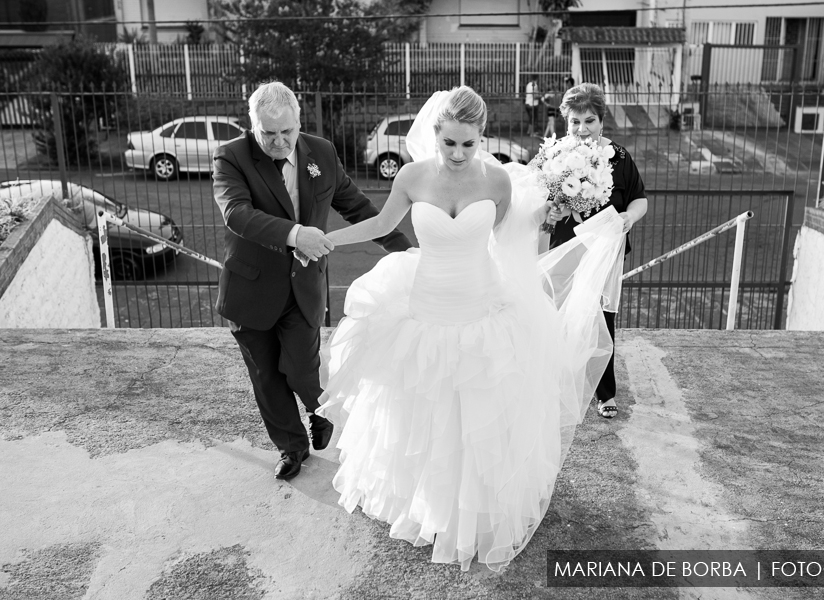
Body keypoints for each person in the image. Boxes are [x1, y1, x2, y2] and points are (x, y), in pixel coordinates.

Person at [314, 86, 626, 571]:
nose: (458, 154)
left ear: (482, 137)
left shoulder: (498, 182)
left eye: (468, 144)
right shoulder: (414, 176)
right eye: (449, 143)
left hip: (481, 306)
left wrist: (555, 211)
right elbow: (380, 224)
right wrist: (328, 239)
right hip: (425, 307)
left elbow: (507, 238)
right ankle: (425, 504)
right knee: (422, 413)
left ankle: (474, 512)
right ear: (435, 135)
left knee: (477, 416)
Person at [212, 81, 412, 481]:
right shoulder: (230, 156)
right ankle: (292, 447)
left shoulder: (321, 151)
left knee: (302, 369)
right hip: (250, 289)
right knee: (267, 379)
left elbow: (355, 206)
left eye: (287, 131)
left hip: (303, 288)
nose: (279, 141)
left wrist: (406, 251)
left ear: (298, 121)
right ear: (252, 125)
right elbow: (236, 213)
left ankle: (319, 411)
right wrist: (294, 234)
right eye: (268, 133)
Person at [547, 82, 649, 419]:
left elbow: (639, 199)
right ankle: (556, 384)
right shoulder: (554, 156)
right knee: (558, 316)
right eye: (575, 122)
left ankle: (604, 393)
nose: (582, 129)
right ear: (566, 123)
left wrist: (629, 217)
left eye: (589, 121)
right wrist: (553, 210)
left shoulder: (619, 157)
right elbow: (540, 201)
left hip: (605, 250)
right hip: (566, 248)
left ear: (602, 121)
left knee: (602, 318)